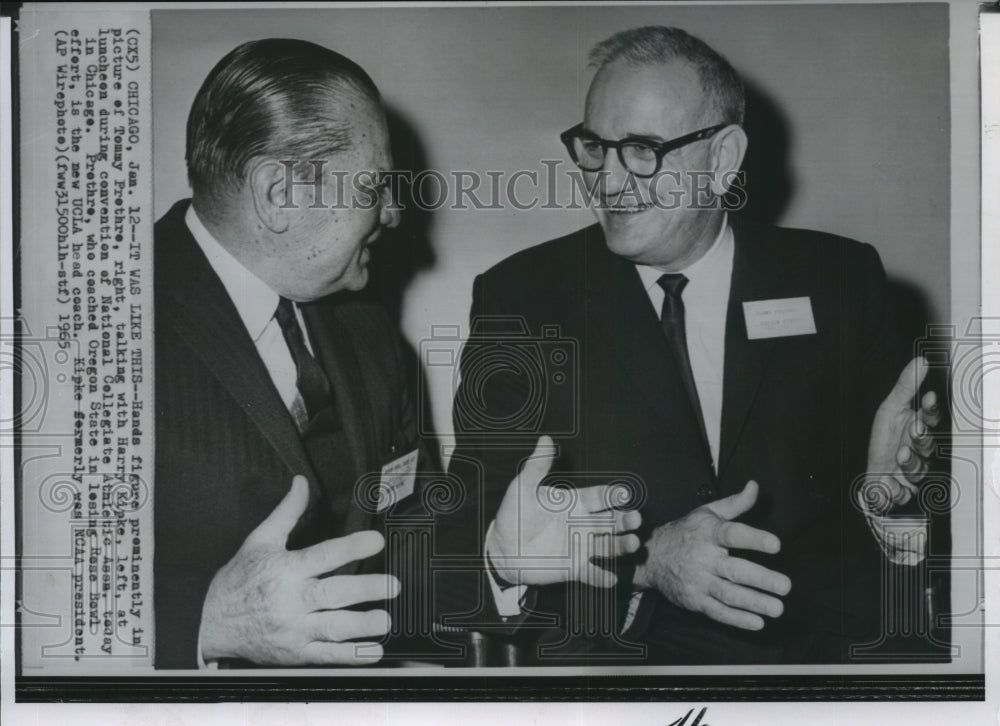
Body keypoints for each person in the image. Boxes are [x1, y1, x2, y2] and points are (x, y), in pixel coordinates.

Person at [435, 26, 941, 665]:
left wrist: (891, 498)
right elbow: (471, 533)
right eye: (595, 146)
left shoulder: (842, 278)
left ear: (724, 156)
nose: (608, 181)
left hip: (825, 666)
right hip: (620, 671)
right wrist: (646, 563)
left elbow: (908, 516)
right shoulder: (524, 298)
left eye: (643, 149)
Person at [154, 39, 641, 669]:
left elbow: (405, 572)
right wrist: (207, 624)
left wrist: (499, 556)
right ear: (278, 193)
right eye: (376, 188)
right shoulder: (91, 320)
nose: (394, 211)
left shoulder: (368, 334)